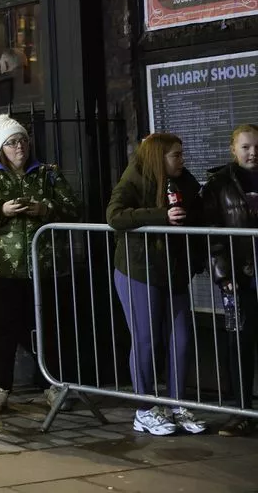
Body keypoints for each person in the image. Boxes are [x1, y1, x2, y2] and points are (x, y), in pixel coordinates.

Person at [0, 114, 81, 415]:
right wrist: (0, 210)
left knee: (47, 328)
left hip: (43, 267)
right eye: (12, 142)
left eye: (23, 140)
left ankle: (52, 386)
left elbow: (74, 209)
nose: (19, 147)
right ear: (1, 147)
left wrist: (44, 208)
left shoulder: (48, 174)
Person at [107, 132, 206, 436]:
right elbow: (114, 215)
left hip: (173, 270)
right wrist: (162, 216)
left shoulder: (186, 182)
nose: (182, 160)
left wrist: (195, 261)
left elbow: (198, 218)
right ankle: (145, 407)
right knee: (146, 339)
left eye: (181, 153)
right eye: (176, 155)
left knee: (181, 338)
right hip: (139, 269)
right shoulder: (135, 177)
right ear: (158, 158)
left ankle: (177, 403)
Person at [202, 124, 258, 437]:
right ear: (233, 150)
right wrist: (224, 276)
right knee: (239, 342)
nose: (253, 153)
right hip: (241, 276)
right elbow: (212, 235)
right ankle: (241, 411)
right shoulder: (219, 184)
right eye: (246, 147)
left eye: (257, 147)